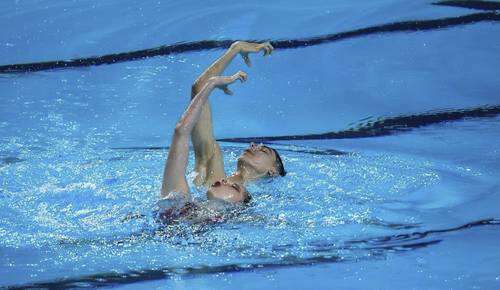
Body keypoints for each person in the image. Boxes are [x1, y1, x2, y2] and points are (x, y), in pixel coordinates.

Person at [159, 41, 286, 221]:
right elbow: (200, 88)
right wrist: (234, 49)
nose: (253, 145)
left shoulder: (259, 205)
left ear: (272, 171)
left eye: (264, 150)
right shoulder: (214, 169)